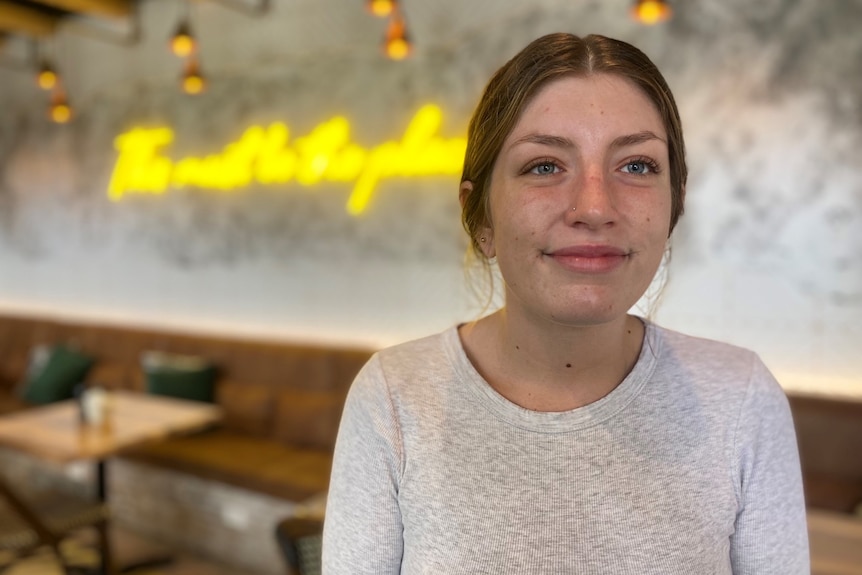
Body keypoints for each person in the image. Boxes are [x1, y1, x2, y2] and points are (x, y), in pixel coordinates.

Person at [322, 33, 809, 574]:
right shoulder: (392, 399)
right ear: (480, 217)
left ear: (675, 206)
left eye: (638, 166)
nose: (595, 207)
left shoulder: (742, 399)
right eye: (546, 166)